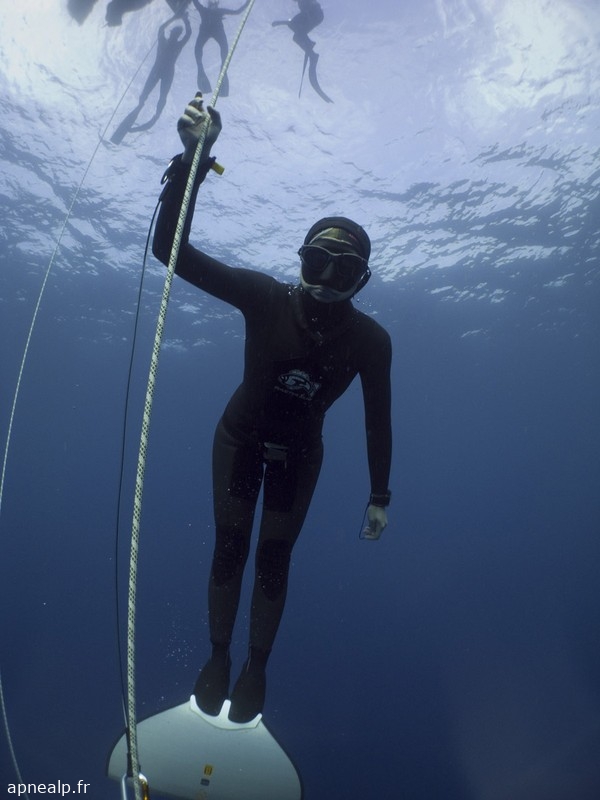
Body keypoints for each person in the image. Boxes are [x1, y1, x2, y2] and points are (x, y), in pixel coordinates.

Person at [152, 95, 392, 723]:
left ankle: (256, 666)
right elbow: (169, 249)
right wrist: (193, 160)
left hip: (300, 456)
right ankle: (218, 655)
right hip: (239, 438)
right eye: (316, 262)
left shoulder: (371, 342)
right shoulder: (265, 297)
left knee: (274, 560)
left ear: (361, 280)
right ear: (300, 259)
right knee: (231, 547)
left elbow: (378, 419)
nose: (326, 279)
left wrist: (380, 494)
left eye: (344, 270)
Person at [111, 15, 192, 143]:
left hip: (164, 72)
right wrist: (177, 18)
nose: (175, 35)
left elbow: (187, 34)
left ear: (177, 35)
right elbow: (162, 29)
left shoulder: (175, 44)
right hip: (159, 71)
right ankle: (142, 112)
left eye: (177, 33)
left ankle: (154, 116)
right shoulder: (165, 42)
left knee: (161, 97)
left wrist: (183, 19)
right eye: (175, 32)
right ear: (172, 33)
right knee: (144, 97)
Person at [272, 0, 332, 102]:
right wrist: (281, 23)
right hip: (313, 15)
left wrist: (282, 23)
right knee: (296, 36)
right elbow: (294, 22)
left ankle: (310, 48)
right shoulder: (301, 3)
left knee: (296, 30)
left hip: (315, 14)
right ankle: (311, 52)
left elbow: (306, 11)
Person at [191, 0, 250, 97]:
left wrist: (248, 2)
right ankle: (201, 70)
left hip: (212, 31)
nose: (213, 6)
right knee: (197, 49)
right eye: (212, 4)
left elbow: (237, 11)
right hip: (210, 31)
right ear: (210, 5)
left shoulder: (211, 10)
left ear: (216, 5)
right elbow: (195, 2)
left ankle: (222, 70)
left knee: (224, 48)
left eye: (214, 4)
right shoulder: (205, 10)